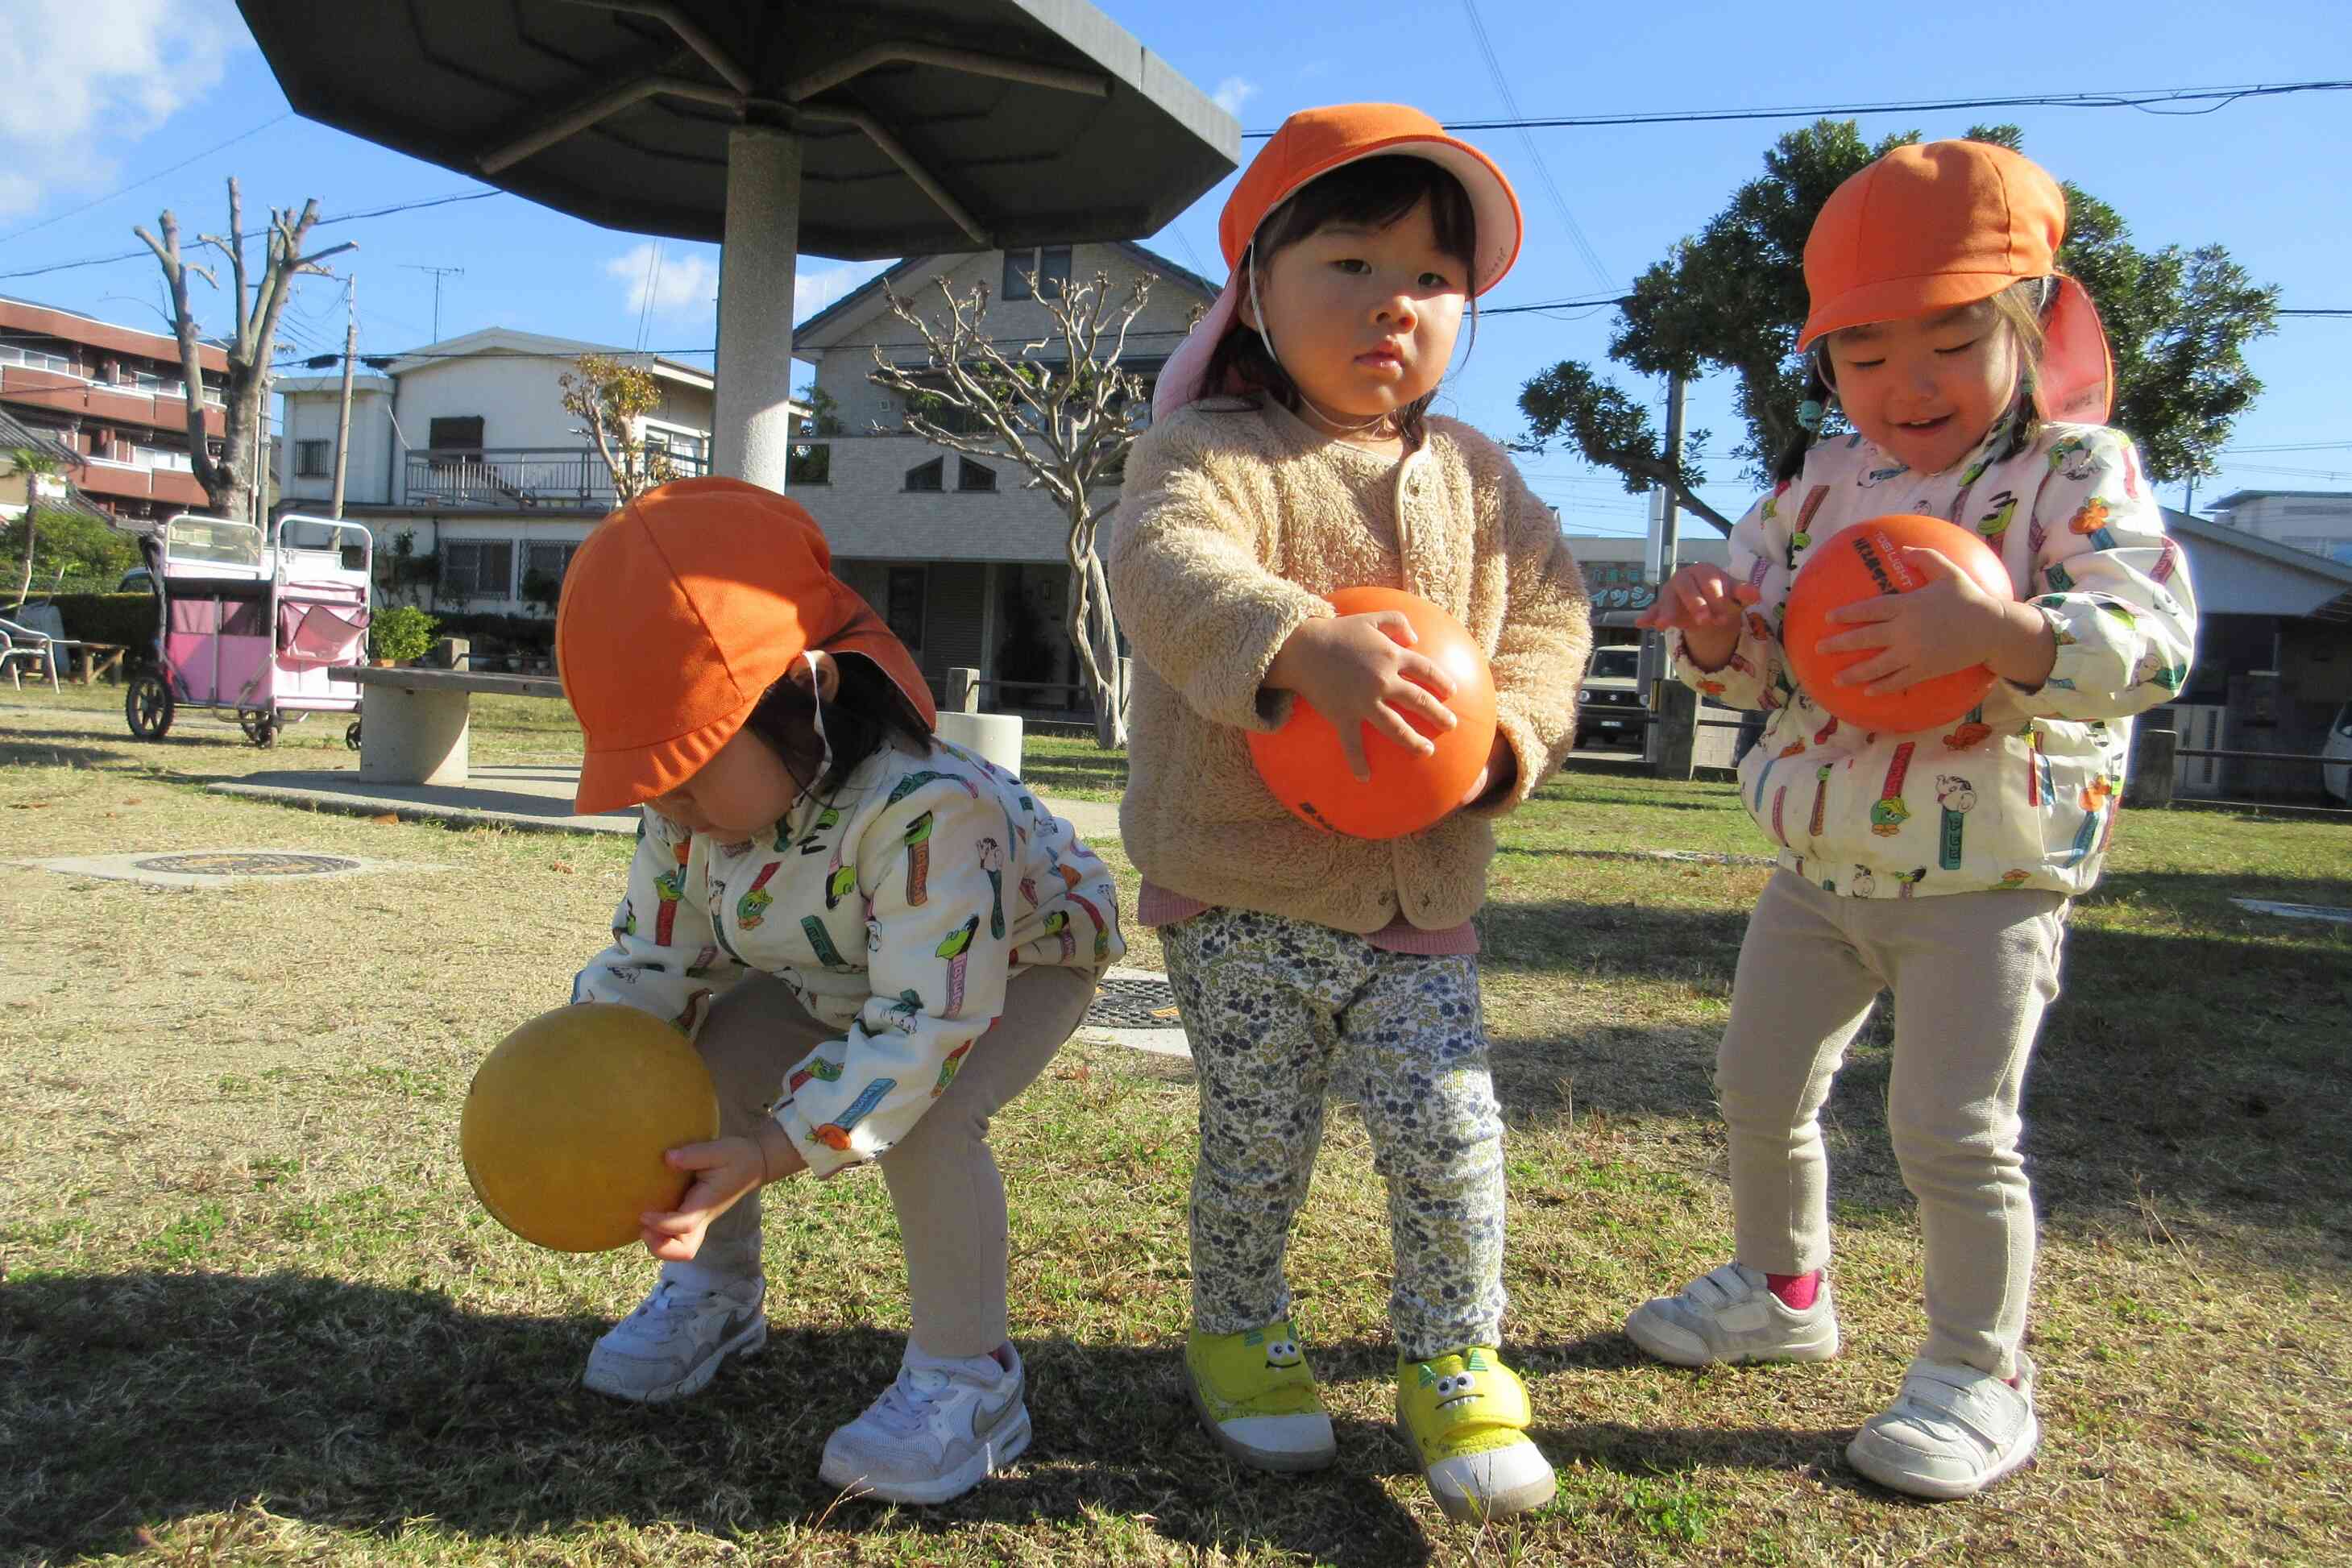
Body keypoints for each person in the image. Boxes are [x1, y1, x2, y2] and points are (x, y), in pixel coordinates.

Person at [1622, 140, 2197, 1500]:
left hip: (1985, 876)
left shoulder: (2071, 470)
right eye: (1864, 353)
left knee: (1949, 1132)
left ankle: (1973, 1372)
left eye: (1950, 339)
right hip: (1817, 863)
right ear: (1825, 366)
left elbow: (2153, 637)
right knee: (1759, 1089)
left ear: (2025, 326)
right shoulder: (1820, 484)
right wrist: (1712, 634)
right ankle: (1780, 1289)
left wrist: (2000, 628)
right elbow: (1758, 654)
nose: (1906, 383)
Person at [1110, 102, 1591, 1523]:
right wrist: (1294, 638)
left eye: (1433, 280)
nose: (1395, 303)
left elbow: (1553, 621)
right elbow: (1158, 562)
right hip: (1241, 887)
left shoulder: (1484, 481)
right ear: (1256, 283)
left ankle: (1451, 1353)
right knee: (1257, 1131)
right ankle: (1237, 1325)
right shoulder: (1206, 449)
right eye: (1348, 264)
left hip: (1418, 897)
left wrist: (1512, 734)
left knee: (1449, 1126)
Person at [557, 476, 1124, 1505]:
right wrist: (586, 1063)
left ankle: (970, 1376)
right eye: (648, 779)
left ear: (805, 696)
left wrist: (775, 1148)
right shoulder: (685, 816)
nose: (668, 803)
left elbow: (925, 1022)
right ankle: (715, 1291)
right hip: (841, 962)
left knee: (933, 1117)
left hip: (1015, 960)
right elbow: (659, 960)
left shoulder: (929, 809)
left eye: (686, 764)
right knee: (710, 1058)